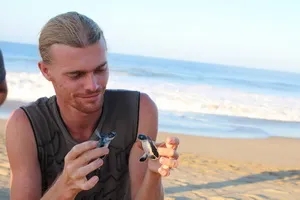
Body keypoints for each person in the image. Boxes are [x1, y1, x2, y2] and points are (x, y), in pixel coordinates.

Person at [5, 11, 180, 200]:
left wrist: (153, 176)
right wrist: (65, 188)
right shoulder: (25, 124)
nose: (93, 85)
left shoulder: (139, 110)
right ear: (46, 71)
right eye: (76, 75)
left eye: (100, 69)